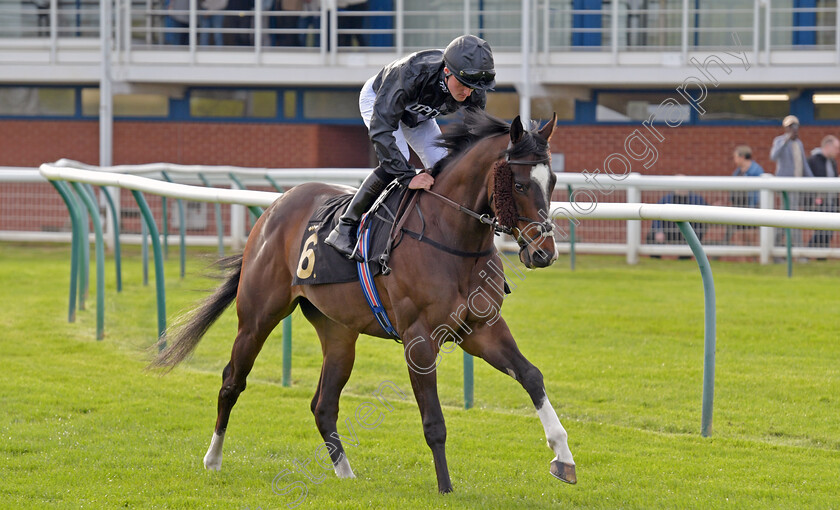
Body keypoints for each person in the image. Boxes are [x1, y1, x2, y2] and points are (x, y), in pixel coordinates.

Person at [325, 34, 496, 259]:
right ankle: (344, 227)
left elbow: (473, 138)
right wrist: (407, 176)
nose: (468, 93)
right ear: (447, 72)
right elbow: (382, 130)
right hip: (379, 99)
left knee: (445, 167)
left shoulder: (474, 87)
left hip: (418, 113)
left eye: (474, 88)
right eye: (464, 85)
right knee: (396, 158)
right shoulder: (410, 74)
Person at [770, 114, 814, 249]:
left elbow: (803, 165)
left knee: (789, 216)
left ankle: (781, 246)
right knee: (791, 216)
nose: (793, 129)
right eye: (790, 126)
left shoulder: (799, 144)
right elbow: (773, 156)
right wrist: (786, 140)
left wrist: (814, 181)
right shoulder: (779, 141)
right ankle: (797, 248)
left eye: (795, 126)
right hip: (785, 185)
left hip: (797, 185)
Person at [646, 185, 707, 259]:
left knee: (695, 234)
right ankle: (655, 259)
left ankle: (683, 261)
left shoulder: (696, 199)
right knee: (652, 235)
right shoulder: (667, 199)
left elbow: (706, 212)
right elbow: (656, 216)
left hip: (688, 232)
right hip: (668, 231)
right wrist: (659, 231)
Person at [806, 135, 840, 248]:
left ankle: (822, 255)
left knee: (829, 230)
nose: (838, 151)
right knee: (822, 230)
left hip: (831, 202)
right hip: (817, 202)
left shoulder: (832, 162)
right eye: (836, 148)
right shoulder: (812, 161)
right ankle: (809, 250)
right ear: (828, 146)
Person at [726, 145, 764, 245]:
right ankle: (743, 260)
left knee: (753, 236)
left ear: (742, 157)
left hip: (752, 207)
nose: (734, 160)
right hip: (738, 208)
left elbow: (759, 192)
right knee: (739, 235)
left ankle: (755, 259)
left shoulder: (756, 170)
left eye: (735, 157)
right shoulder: (737, 172)